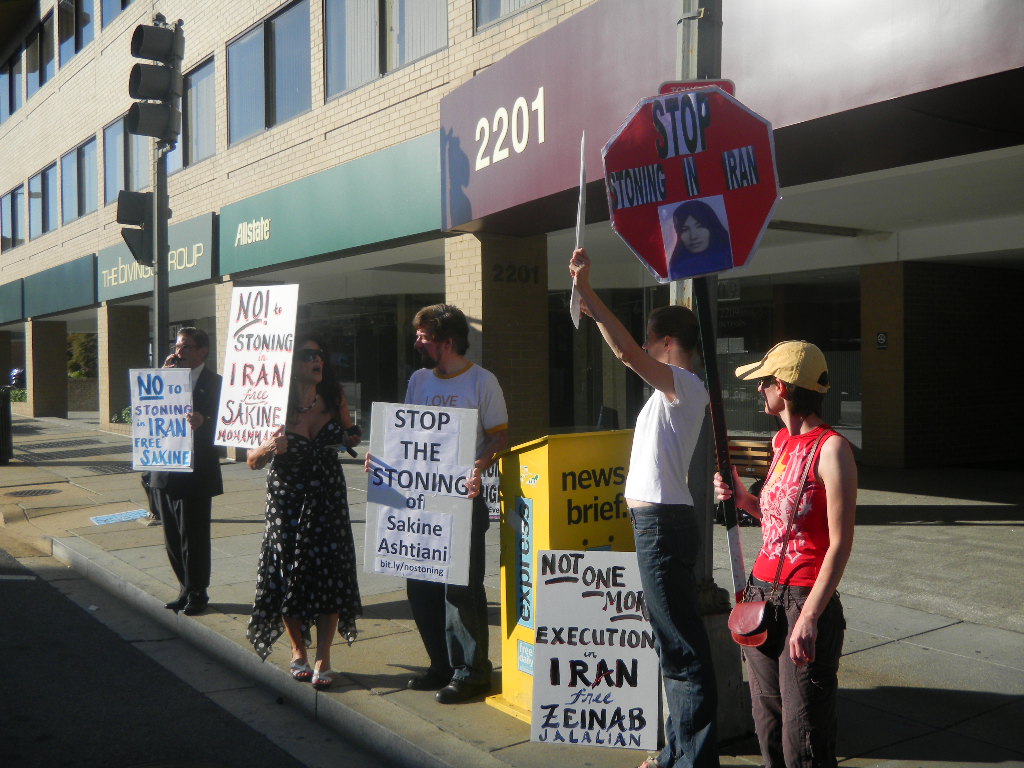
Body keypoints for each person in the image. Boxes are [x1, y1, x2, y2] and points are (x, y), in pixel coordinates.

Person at [569, 248, 719, 768]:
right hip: (657, 523)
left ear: (668, 343)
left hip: (662, 525)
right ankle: (677, 750)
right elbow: (631, 354)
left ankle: (692, 758)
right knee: (671, 646)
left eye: (654, 342)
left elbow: (628, 354)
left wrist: (590, 295)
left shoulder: (687, 387)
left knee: (681, 651)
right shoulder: (672, 393)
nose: (647, 351)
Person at [713, 341, 857, 768]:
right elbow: (780, 523)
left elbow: (839, 543)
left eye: (763, 383)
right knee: (769, 724)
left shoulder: (833, 450)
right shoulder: (780, 443)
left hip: (803, 600)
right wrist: (743, 500)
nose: (759, 391)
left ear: (782, 386)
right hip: (762, 594)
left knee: (804, 734)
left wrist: (811, 615)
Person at [400, 304, 508, 704]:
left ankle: (472, 671)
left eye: (424, 336)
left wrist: (479, 466)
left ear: (447, 341)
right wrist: (384, 461)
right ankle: (441, 664)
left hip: (462, 499)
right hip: (421, 499)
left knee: (459, 587)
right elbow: (406, 433)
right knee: (421, 584)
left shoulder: (482, 381)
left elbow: (499, 436)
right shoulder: (418, 381)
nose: (417, 342)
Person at [245, 335, 363, 691]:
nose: (317, 361)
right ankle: (298, 649)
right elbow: (251, 461)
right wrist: (268, 446)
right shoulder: (271, 404)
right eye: (308, 355)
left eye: (320, 355)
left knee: (330, 571)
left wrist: (351, 436)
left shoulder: (334, 396)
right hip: (287, 498)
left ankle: (324, 656)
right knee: (286, 571)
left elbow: (350, 433)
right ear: (290, 363)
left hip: (327, 494)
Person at [144, 327, 223, 616]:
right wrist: (159, 379)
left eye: (186, 347)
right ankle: (184, 588)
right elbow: (146, 413)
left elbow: (227, 424)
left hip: (196, 471)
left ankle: (198, 591)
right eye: (177, 346)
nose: (179, 352)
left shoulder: (216, 383)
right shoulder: (165, 378)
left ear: (203, 351)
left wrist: (206, 420)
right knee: (172, 536)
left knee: (194, 535)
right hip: (166, 468)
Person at [666, 199, 732, 280]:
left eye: (699, 226)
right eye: (685, 229)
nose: (693, 236)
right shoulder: (675, 268)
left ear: (712, 227)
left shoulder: (729, 257)